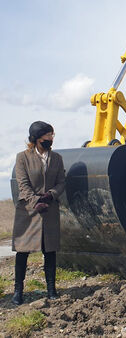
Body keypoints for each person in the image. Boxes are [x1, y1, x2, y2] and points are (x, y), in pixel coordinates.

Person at [12, 121, 65, 305]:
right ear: (37, 137)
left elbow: (61, 182)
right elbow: (23, 184)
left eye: (52, 135)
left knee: (49, 251)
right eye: (48, 135)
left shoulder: (56, 158)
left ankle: (51, 290)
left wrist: (51, 195)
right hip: (28, 212)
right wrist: (36, 201)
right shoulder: (22, 158)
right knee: (22, 251)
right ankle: (18, 291)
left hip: (49, 210)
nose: (51, 138)